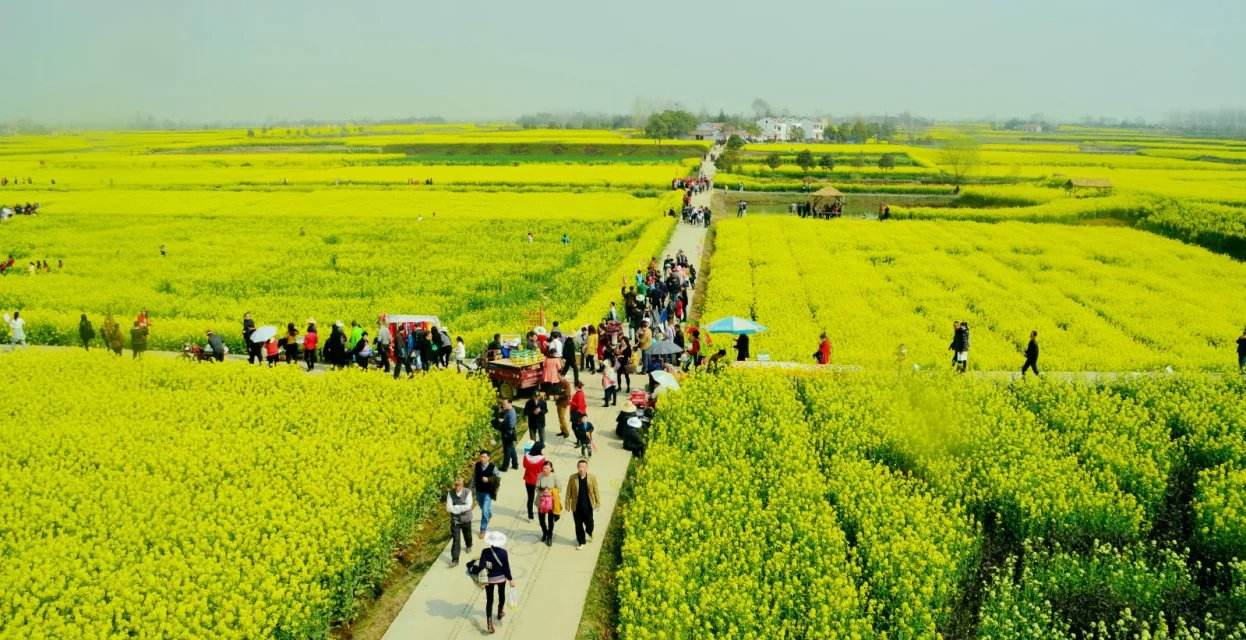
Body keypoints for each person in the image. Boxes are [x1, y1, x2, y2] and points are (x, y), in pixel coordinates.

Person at [470, 531, 514, 634]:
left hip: (489, 579)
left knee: (489, 600)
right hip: (501, 579)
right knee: (501, 595)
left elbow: (481, 566)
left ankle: (489, 623)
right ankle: (500, 613)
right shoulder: (503, 553)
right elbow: (506, 568)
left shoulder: (485, 552)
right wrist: (510, 579)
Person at [564, 459, 600, 550]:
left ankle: (589, 532)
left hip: (588, 506)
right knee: (578, 525)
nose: (581, 469)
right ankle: (581, 541)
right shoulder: (573, 478)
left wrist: (598, 503)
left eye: (583, 467)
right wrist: (567, 504)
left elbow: (596, 491)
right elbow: (568, 492)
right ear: (577, 467)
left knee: (590, 523)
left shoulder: (592, 477)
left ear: (587, 468)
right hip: (576, 507)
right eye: (580, 467)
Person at [445, 478, 473, 568]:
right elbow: (448, 508)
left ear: (462, 485)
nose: (457, 487)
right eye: (456, 485)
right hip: (455, 521)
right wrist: (460, 508)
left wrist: (455, 508)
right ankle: (455, 559)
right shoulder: (450, 493)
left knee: (467, 535)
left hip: (466, 519)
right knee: (456, 540)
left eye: (459, 485)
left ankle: (469, 545)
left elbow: (468, 506)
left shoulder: (468, 492)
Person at [473, 450, 500, 538]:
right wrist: (472, 488)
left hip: (488, 493)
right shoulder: (477, 465)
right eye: (481, 457)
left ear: (488, 458)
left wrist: (489, 479)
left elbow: (498, 478)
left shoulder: (493, 467)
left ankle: (483, 529)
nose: (482, 459)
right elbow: (474, 477)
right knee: (482, 507)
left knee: (484, 511)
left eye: (484, 457)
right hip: (478, 491)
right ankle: (489, 513)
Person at [536, 460, 561, 546]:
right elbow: (537, 488)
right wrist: (542, 492)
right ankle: (545, 533)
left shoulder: (554, 477)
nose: (545, 470)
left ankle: (549, 536)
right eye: (544, 468)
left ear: (551, 468)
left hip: (551, 502)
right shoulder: (540, 475)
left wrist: (551, 492)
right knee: (541, 520)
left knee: (550, 521)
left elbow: (559, 488)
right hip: (541, 501)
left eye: (547, 468)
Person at [522, 441, 547, 521]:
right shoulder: (542, 459)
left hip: (528, 481)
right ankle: (541, 513)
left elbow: (524, 466)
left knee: (530, 498)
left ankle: (530, 516)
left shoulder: (526, 457)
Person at [494, 399, 519, 472]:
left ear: (510, 403)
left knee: (507, 451)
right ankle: (515, 464)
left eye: (504, 404)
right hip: (509, 434)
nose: (503, 406)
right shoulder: (509, 410)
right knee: (512, 449)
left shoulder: (511, 413)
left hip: (508, 435)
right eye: (502, 404)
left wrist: (502, 422)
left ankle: (505, 467)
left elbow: (510, 425)